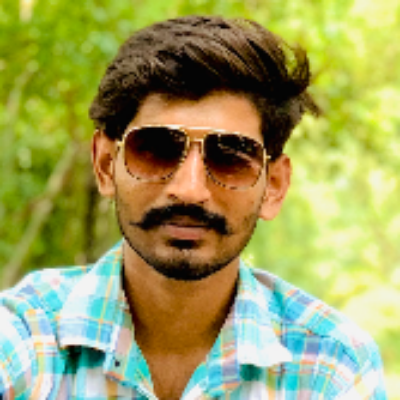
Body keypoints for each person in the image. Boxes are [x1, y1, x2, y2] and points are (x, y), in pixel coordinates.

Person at [0, 15, 386, 400]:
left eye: (231, 157)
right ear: (105, 165)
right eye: (155, 150)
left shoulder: (330, 367)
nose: (189, 191)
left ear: (273, 186)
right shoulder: (24, 339)